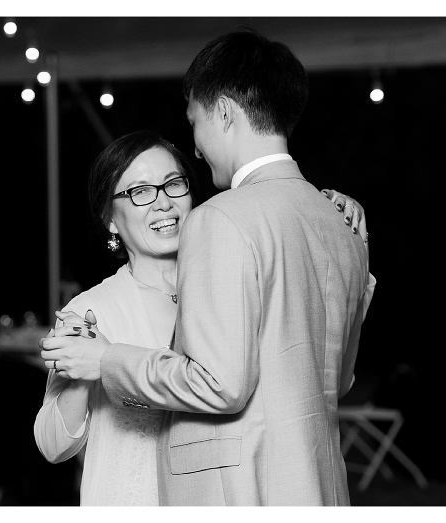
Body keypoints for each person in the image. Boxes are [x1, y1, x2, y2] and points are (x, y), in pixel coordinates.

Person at [40, 28, 376, 506]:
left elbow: (223, 387)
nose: (162, 202)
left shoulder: (222, 222)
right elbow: (335, 379)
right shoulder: (338, 225)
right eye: (138, 192)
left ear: (222, 112)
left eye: (173, 184)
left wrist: (107, 361)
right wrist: (83, 370)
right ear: (109, 217)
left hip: (241, 494)